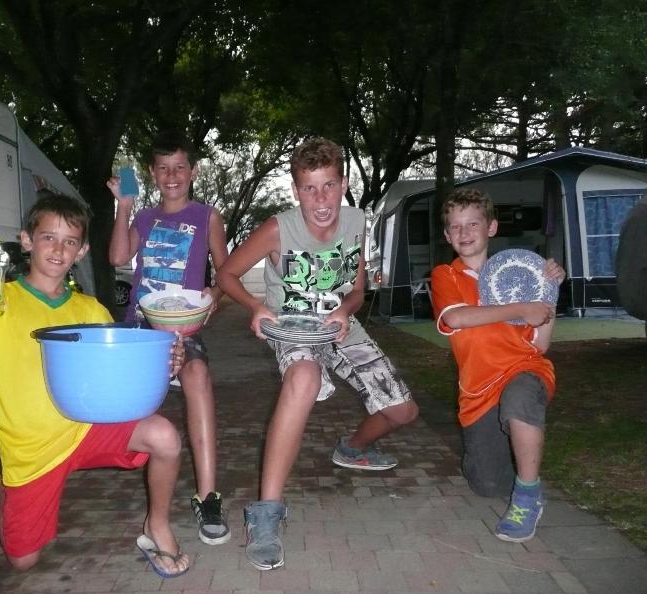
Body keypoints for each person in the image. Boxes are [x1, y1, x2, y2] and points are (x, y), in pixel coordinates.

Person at [0, 194, 190, 577]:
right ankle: (5, 488)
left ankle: (156, 524)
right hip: (33, 451)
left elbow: (118, 379)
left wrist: (167, 365)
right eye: (48, 237)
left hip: (87, 430)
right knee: (23, 562)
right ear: (26, 240)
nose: (59, 249)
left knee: (164, 436)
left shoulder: (91, 310)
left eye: (70, 241)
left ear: (82, 250)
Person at [216, 137, 419, 570]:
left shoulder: (356, 221)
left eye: (328, 186)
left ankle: (352, 448)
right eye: (309, 188)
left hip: (340, 327)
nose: (321, 199)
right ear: (296, 190)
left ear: (343, 184)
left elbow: (357, 290)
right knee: (304, 379)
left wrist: (345, 310)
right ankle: (266, 514)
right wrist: (255, 307)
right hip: (292, 329)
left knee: (403, 412)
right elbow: (227, 273)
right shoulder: (278, 229)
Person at [107, 132, 231, 545]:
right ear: (152, 173)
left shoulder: (208, 216)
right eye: (163, 168)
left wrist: (214, 297)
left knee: (198, 377)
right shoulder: (143, 218)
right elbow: (117, 257)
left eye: (179, 167)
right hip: (142, 328)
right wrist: (124, 206)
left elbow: (226, 274)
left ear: (193, 171)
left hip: (183, 328)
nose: (172, 175)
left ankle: (208, 497)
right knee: (130, 402)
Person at [430, 187, 566, 542]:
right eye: (456, 226)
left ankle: (529, 494)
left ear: (491, 227)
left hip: (524, 368)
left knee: (520, 400)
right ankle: (511, 453)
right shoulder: (445, 275)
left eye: (473, 223)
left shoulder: (521, 273)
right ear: (447, 235)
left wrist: (548, 291)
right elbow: (457, 318)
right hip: (477, 390)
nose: (464, 232)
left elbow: (541, 344)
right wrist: (521, 309)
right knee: (487, 485)